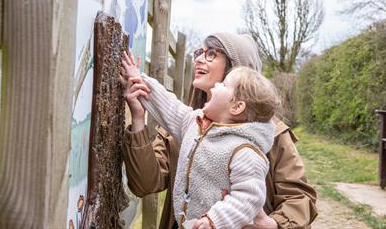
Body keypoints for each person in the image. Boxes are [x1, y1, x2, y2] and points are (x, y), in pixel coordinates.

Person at [119, 33, 318, 229]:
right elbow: (144, 184)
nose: (198, 59)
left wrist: (274, 224)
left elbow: (299, 198)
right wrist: (137, 119)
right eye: (200, 52)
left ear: (237, 68)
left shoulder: (269, 134)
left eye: (211, 53)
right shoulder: (191, 122)